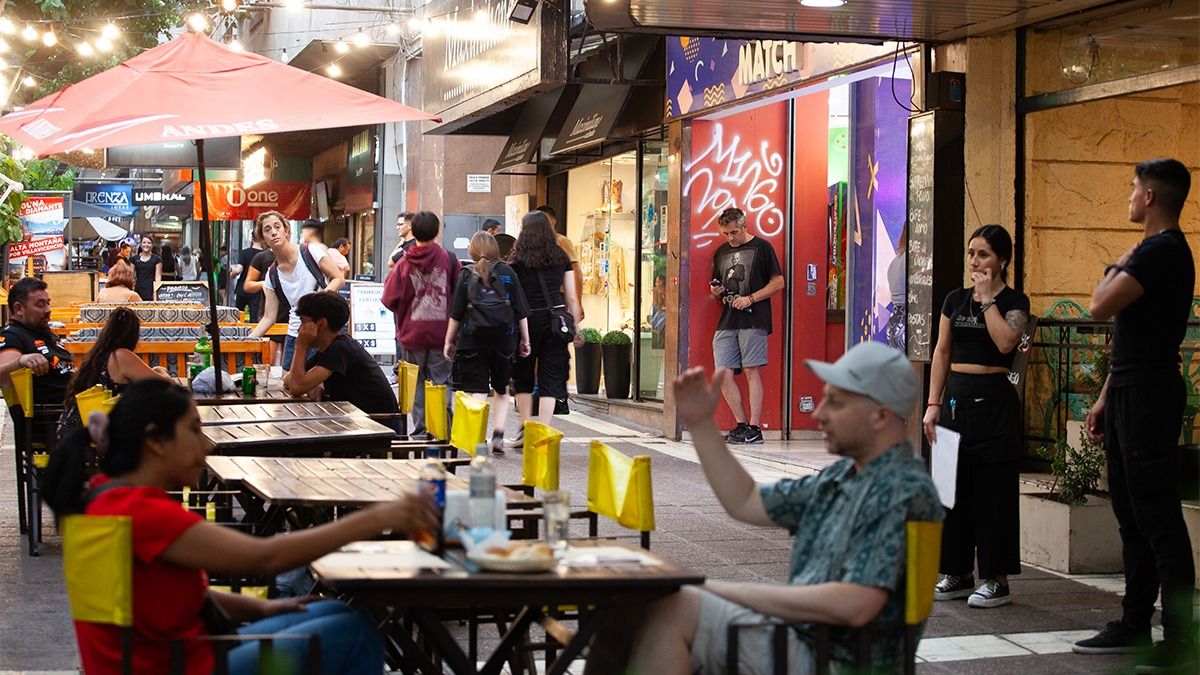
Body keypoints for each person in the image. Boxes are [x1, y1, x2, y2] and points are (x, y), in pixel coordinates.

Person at [585, 342, 942, 674]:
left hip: (836, 659)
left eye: (835, 403)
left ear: (880, 416)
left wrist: (713, 589)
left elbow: (855, 605)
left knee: (673, 608)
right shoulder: (842, 476)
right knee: (631, 609)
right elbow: (746, 501)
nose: (818, 413)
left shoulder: (900, 488)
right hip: (804, 642)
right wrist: (702, 425)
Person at [43, 378, 436, 675]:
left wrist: (262, 607)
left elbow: (171, 596)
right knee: (354, 633)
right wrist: (379, 517)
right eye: (193, 430)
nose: (207, 445)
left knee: (335, 612)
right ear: (156, 441)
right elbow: (265, 558)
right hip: (185, 666)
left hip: (166, 657)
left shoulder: (102, 498)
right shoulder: (142, 514)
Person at [1073, 159, 1197, 672]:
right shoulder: (1153, 252)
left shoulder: (1161, 251)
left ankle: (1181, 637)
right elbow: (1131, 338)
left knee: (1157, 517)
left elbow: (1099, 306)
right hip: (1130, 387)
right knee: (1130, 514)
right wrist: (1106, 395)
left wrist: (1116, 266)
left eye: (1132, 188)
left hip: (1149, 394)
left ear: (1149, 196)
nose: (1127, 196)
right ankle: (1134, 622)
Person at [922, 225, 1030, 609]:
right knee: (951, 491)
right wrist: (933, 403)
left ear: (1002, 260)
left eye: (983, 254)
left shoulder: (1015, 302)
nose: (974, 261)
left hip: (994, 403)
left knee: (994, 494)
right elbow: (942, 351)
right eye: (971, 253)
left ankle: (996, 579)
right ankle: (957, 571)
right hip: (956, 401)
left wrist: (987, 300)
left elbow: (1005, 341)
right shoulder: (954, 299)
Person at [444, 231, 531, 455]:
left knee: (477, 390)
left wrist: (449, 340)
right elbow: (521, 310)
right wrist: (526, 339)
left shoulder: (466, 274)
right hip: (504, 340)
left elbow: (456, 312)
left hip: (472, 341)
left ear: (472, 251)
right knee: (501, 390)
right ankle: (498, 435)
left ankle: (478, 437)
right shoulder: (508, 273)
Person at [504, 211, 583, 447]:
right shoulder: (560, 256)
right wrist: (576, 326)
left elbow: (512, 297)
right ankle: (543, 430)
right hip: (555, 321)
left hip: (526, 321)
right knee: (551, 377)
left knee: (523, 375)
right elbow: (571, 297)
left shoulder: (517, 259)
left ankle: (527, 428)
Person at [708, 207, 785, 445]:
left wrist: (750, 299)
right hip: (728, 319)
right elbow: (718, 285)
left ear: (744, 227)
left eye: (733, 232)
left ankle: (754, 427)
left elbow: (779, 282)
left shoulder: (762, 247)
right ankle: (741, 424)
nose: (730, 238)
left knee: (752, 370)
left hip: (754, 317)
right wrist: (716, 290)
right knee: (722, 373)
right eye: (725, 233)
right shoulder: (721, 252)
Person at [382, 211, 458, 440]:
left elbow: (388, 299)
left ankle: (421, 432)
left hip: (411, 335)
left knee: (416, 385)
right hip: (442, 335)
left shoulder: (403, 264)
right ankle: (441, 430)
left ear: (413, 232)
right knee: (440, 382)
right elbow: (460, 293)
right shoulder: (449, 259)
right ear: (437, 231)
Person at [284, 292, 402, 433]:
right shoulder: (329, 349)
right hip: (358, 423)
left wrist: (301, 346)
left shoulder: (341, 349)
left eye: (303, 321)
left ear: (321, 324)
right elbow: (289, 381)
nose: (299, 329)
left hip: (378, 428)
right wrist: (314, 383)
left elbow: (296, 387)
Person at [56, 307, 171, 439]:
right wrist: (160, 370)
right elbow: (165, 385)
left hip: (74, 432)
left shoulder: (98, 356)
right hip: (91, 437)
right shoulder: (120, 355)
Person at [248, 211, 344, 369]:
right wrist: (247, 341)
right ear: (263, 239)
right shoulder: (272, 275)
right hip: (296, 333)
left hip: (324, 331)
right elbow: (268, 317)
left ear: (286, 231)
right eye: (267, 230)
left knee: (322, 381)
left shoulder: (310, 252)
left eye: (277, 227)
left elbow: (338, 278)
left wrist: (319, 301)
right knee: (289, 381)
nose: (273, 232)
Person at [0, 277, 75, 408]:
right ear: (19, 309)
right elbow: (2, 376)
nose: (48, 310)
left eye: (48, 303)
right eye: (40, 305)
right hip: (56, 415)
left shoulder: (43, 331)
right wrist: (20, 362)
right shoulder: (12, 336)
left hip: (76, 404)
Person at [534, 205, 584, 321]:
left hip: (558, 295)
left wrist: (577, 302)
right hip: (537, 296)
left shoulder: (561, 241)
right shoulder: (530, 243)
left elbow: (575, 271)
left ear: (553, 221)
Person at [244, 245, 288, 366]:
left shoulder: (294, 257)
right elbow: (247, 285)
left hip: (291, 316)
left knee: (288, 365)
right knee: (267, 363)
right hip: (269, 313)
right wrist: (263, 284)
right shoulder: (262, 257)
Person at [233, 233, 265, 321]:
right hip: (256, 290)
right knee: (254, 318)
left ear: (252, 238)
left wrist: (231, 274)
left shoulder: (245, 253)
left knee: (238, 317)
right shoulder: (264, 255)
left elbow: (238, 270)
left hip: (242, 289)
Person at [130, 236, 162, 301]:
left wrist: (155, 293)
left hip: (151, 291)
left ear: (152, 245)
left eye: (149, 243)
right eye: (144, 242)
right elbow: (131, 276)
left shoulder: (157, 259)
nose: (146, 245)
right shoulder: (134, 259)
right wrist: (130, 290)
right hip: (137, 291)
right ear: (141, 244)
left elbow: (158, 278)